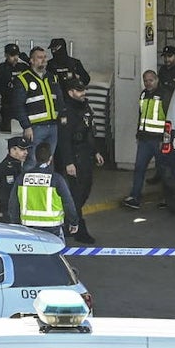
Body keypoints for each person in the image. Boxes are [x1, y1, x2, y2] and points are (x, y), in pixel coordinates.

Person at [56, 80, 104, 244]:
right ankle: (78, 228)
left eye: (83, 89)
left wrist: (96, 151)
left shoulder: (85, 107)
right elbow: (64, 140)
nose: (83, 93)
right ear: (70, 93)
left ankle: (69, 220)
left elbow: (90, 131)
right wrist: (69, 163)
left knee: (85, 191)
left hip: (86, 156)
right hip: (74, 157)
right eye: (79, 90)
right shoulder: (66, 112)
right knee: (76, 194)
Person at [9, 142, 79, 241]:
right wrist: (73, 222)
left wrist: (15, 224)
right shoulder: (56, 179)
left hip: (28, 227)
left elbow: (13, 203)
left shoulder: (22, 178)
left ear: (35, 157)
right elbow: (68, 202)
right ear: (50, 158)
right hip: (52, 228)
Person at [12, 45, 64, 164]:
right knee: (32, 160)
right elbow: (19, 105)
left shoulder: (52, 77)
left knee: (49, 160)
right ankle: (29, 183)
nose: (44, 60)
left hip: (53, 125)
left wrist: (62, 116)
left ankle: (45, 183)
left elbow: (60, 100)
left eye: (45, 57)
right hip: (35, 127)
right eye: (40, 57)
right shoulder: (23, 79)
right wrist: (26, 126)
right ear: (31, 60)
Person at [123, 70, 166, 210]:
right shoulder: (143, 94)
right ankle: (135, 196)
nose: (148, 83)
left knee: (163, 169)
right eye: (145, 80)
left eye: (150, 80)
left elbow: (168, 117)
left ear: (156, 80)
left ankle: (167, 197)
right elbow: (141, 116)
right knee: (139, 168)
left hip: (158, 140)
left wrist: (164, 139)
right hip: (144, 139)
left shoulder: (164, 95)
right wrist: (138, 133)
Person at [0, 43, 29, 132]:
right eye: (12, 55)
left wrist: (27, 60)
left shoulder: (23, 67)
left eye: (17, 55)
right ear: (6, 55)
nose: (15, 58)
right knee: (8, 134)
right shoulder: (0, 69)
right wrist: (7, 86)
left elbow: (37, 72)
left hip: (24, 107)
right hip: (8, 108)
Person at [0, 135, 30, 223]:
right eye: (22, 150)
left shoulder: (16, 165)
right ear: (12, 150)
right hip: (9, 213)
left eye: (26, 149)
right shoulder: (7, 168)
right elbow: (9, 193)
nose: (26, 152)